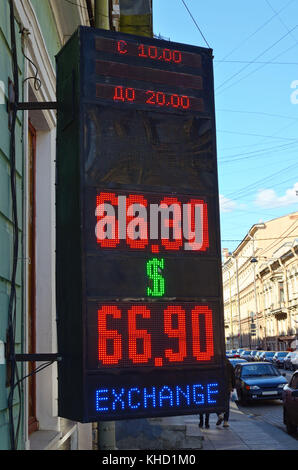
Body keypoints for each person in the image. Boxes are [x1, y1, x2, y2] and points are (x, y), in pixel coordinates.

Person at [216, 357, 235, 428]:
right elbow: (233, 376)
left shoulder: (217, 364)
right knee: (226, 404)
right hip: (227, 387)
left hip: (218, 386)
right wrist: (233, 386)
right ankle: (226, 422)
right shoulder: (229, 365)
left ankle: (219, 414)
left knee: (217, 403)